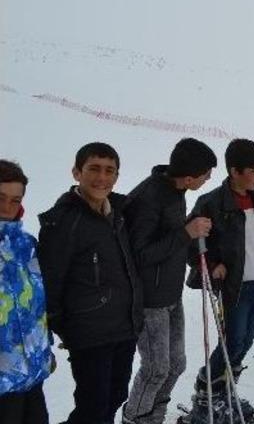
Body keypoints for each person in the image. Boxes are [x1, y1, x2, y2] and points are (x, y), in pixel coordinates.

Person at [38, 143, 143, 424]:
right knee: (93, 406)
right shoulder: (62, 221)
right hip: (89, 332)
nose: (102, 177)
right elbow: (51, 279)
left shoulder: (119, 213)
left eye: (110, 171)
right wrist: (63, 326)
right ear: (76, 172)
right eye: (94, 168)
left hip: (124, 326)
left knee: (115, 396)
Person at [122, 138, 216, 424]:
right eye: (205, 175)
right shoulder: (149, 198)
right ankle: (134, 418)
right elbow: (140, 254)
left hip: (170, 294)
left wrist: (196, 250)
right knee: (155, 369)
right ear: (188, 177)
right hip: (149, 299)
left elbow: (172, 240)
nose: (208, 179)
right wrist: (187, 233)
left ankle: (154, 417)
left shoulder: (175, 190)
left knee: (176, 365)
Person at [187, 138, 254, 420]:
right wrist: (212, 265)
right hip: (234, 285)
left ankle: (226, 391)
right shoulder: (211, 202)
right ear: (234, 171)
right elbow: (191, 242)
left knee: (247, 340)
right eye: (253, 170)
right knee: (233, 340)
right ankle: (207, 394)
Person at [0, 160, 52, 424]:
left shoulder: (27, 245)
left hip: (32, 372)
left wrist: (44, 350)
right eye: (0, 198)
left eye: (14, 200)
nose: (6, 208)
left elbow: (36, 308)